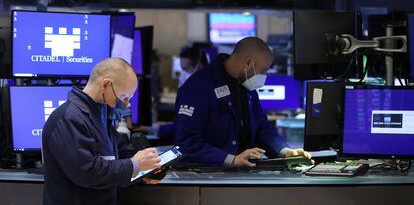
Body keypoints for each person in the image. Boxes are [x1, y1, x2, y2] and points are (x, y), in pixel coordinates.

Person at [175, 37, 312, 166]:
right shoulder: (198, 87)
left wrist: (284, 151)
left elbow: (261, 126)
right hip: (207, 176)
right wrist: (231, 160)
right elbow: (187, 142)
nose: (264, 76)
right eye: (263, 71)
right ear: (248, 63)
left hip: (243, 173)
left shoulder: (247, 84)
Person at [42, 58, 161, 205]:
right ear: (106, 84)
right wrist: (134, 165)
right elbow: (87, 172)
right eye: (124, 97)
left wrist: (142, 171)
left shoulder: (101, 113)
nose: (126, 104)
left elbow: (118, 155)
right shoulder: (68, 118)